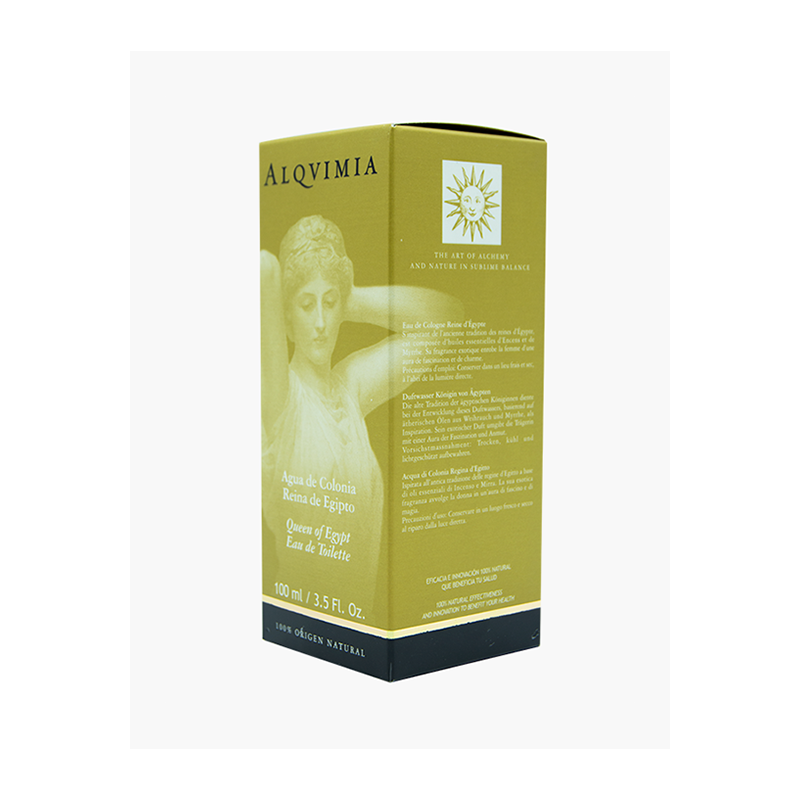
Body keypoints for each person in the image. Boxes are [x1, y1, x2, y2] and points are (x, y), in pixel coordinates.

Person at [261, 215, 464, 620]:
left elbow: (446, 321)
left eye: (329, 303)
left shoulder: (350, 386)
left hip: (359, 621)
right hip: (301, 618)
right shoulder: (280, 399)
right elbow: (264, 267)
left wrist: (351, 297)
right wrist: (317, 283)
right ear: (286, 318)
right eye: (306, 305)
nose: (321, 323)